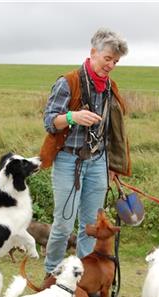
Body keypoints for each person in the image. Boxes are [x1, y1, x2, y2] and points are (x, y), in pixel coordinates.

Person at [39, 28, 131, 280]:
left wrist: (112, 166)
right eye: (107, 59)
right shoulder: (68, 82)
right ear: (93, 53)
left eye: (116, 61)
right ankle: (52, 275)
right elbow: (49, 122)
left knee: (90, 226)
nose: (111, 65)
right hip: (68, 160)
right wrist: (72, 116)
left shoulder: (110, 87)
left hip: (98, 162)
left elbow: (112, 131)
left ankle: (81, 278)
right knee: (64, 224)